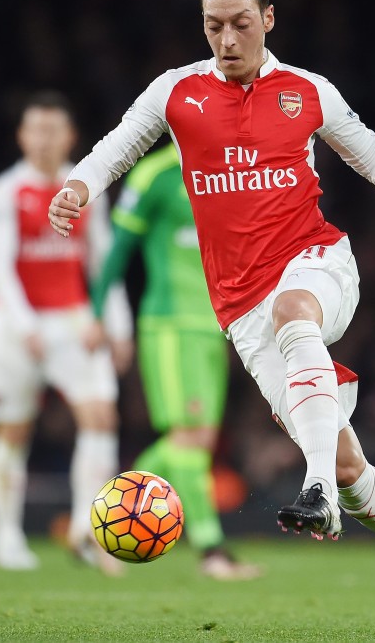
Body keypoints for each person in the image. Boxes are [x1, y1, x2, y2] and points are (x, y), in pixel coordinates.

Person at [48, 0, 375, 615]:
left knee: (296, 313)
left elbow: (366, 150)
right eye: (214, 25)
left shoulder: (308, 90)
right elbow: (117, 146)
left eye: (240, 23)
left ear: (268, 18)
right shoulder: (177, 92)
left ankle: (314, 489)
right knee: (352, 470)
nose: (227, 39)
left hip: (316, 262)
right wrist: (77, 186)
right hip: (240, 307)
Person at [0, 90, 134, 574]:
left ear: (70, 137)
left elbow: (103, 262)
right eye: (35, 130)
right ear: (21, 136)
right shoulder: (6, 191)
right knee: (14, 428)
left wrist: (116, 324)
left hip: (72, 320)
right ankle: (7, 536)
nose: (42, 139)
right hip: (14, 326)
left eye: (52, 130)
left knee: (101, 416)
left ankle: (86, 530)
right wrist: (25, 326)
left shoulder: (82, 190)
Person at [89, 140, 261, 581]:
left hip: (215, 324)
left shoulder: (231, 170)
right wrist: (98, 314)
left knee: (197, 440)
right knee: (189, 437)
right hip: (170, 324)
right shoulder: (155, 175)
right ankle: (211, 549)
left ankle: (104, 520)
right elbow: (118, 248)